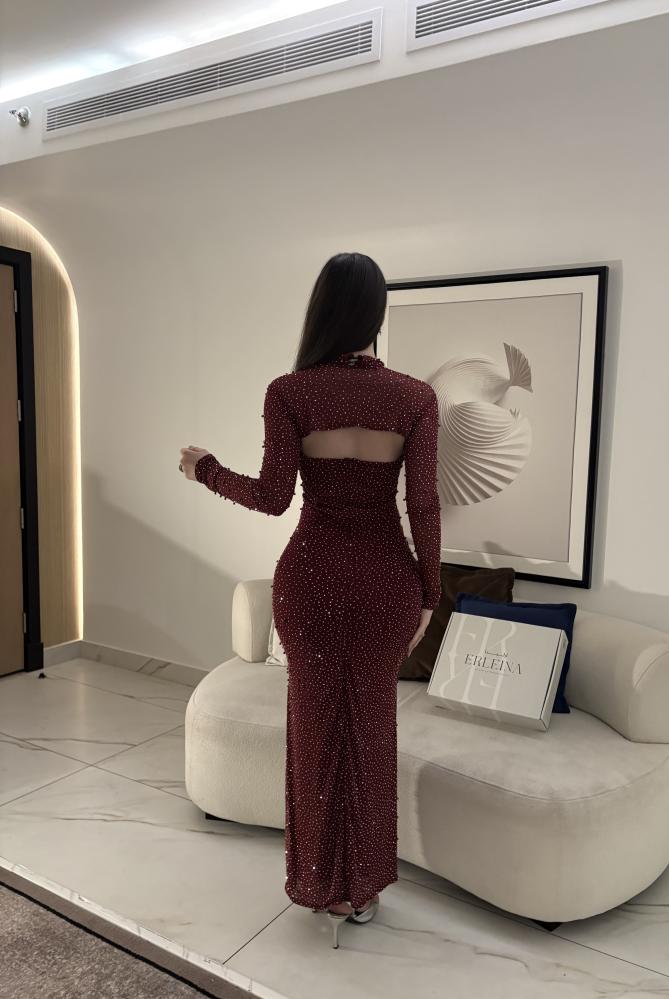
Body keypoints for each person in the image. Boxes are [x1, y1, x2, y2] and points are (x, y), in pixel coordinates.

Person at [179, 252, 442, 949]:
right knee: (372, 729)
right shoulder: (414, 398)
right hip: (387, 582)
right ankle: (364, 888)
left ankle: (322, 880)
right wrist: (429, 594)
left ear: (321, 309)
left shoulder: (290, 392)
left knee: (316, 729)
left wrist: (205, 470)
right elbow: (422, 505)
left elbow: (272, 498)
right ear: (377, 314)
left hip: (312, 579)